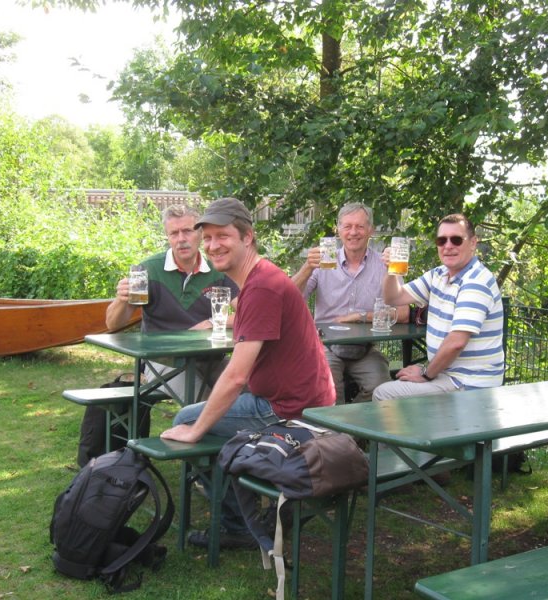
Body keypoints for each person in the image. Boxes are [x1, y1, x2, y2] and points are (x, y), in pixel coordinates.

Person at [161, 197, 336, 550]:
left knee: (188, 419)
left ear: (247, 237)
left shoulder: (261, 287)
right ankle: (246, 496)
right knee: (212, 412)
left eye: (223, 236)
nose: (213, 246)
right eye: (208, 238)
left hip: (289, 408)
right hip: (298, 398)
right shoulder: (260, 278)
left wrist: (196, 430)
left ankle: (238, 524)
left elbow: (236, 376)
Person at [105, 203, 239, 403]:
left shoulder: (217, 269)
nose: (181, 239)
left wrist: (211, 323)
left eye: (187, 231)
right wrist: (121, 300)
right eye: (174, 233)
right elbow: (113, 324)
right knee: (206, 406)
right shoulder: (148, 269)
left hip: (210, 358)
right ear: (167, 237)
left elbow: (249, 313)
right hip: (162, 360)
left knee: (251, 389)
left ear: (200, 233)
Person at [372, 213, 504, 402]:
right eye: (442, 240)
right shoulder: (439, 275)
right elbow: (394, 297)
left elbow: (456, 342)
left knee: (384, 394)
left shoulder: (476, 281)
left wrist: (426, 373)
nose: (448, 246)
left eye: (456, 240)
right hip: (449, 375)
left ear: (473, 243)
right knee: (396, 380)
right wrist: (391, 270)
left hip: (471, 384)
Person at [292, 202, 409, 404]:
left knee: (383, 391)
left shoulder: (384, 264)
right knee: (328, 392)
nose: (353, 232)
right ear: (338, 230)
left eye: (360, 226)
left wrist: (360, 316)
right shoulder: (323, 261)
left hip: (365, 349)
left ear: (371, 230)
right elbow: (289, 299)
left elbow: (404, 313)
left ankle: (351, 423)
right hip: (326, 346)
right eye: (347, 226)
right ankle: (335, 423)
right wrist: (306, 268)